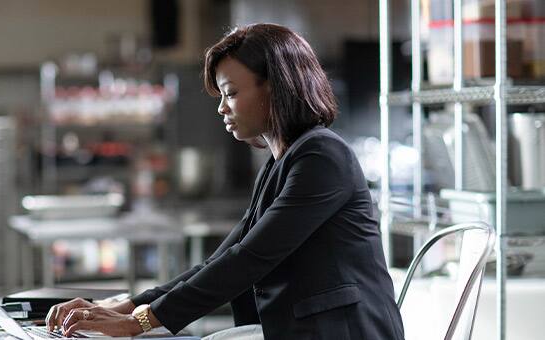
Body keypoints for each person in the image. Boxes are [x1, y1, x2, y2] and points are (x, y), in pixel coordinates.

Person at [44, 23, 405, 340]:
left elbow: (249, 258)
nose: (222, 108)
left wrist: (139, 322)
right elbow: (218, 260)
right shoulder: (279, 164)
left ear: (276, 88)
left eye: (231, 93)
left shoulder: (323, 155)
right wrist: (128, 307)